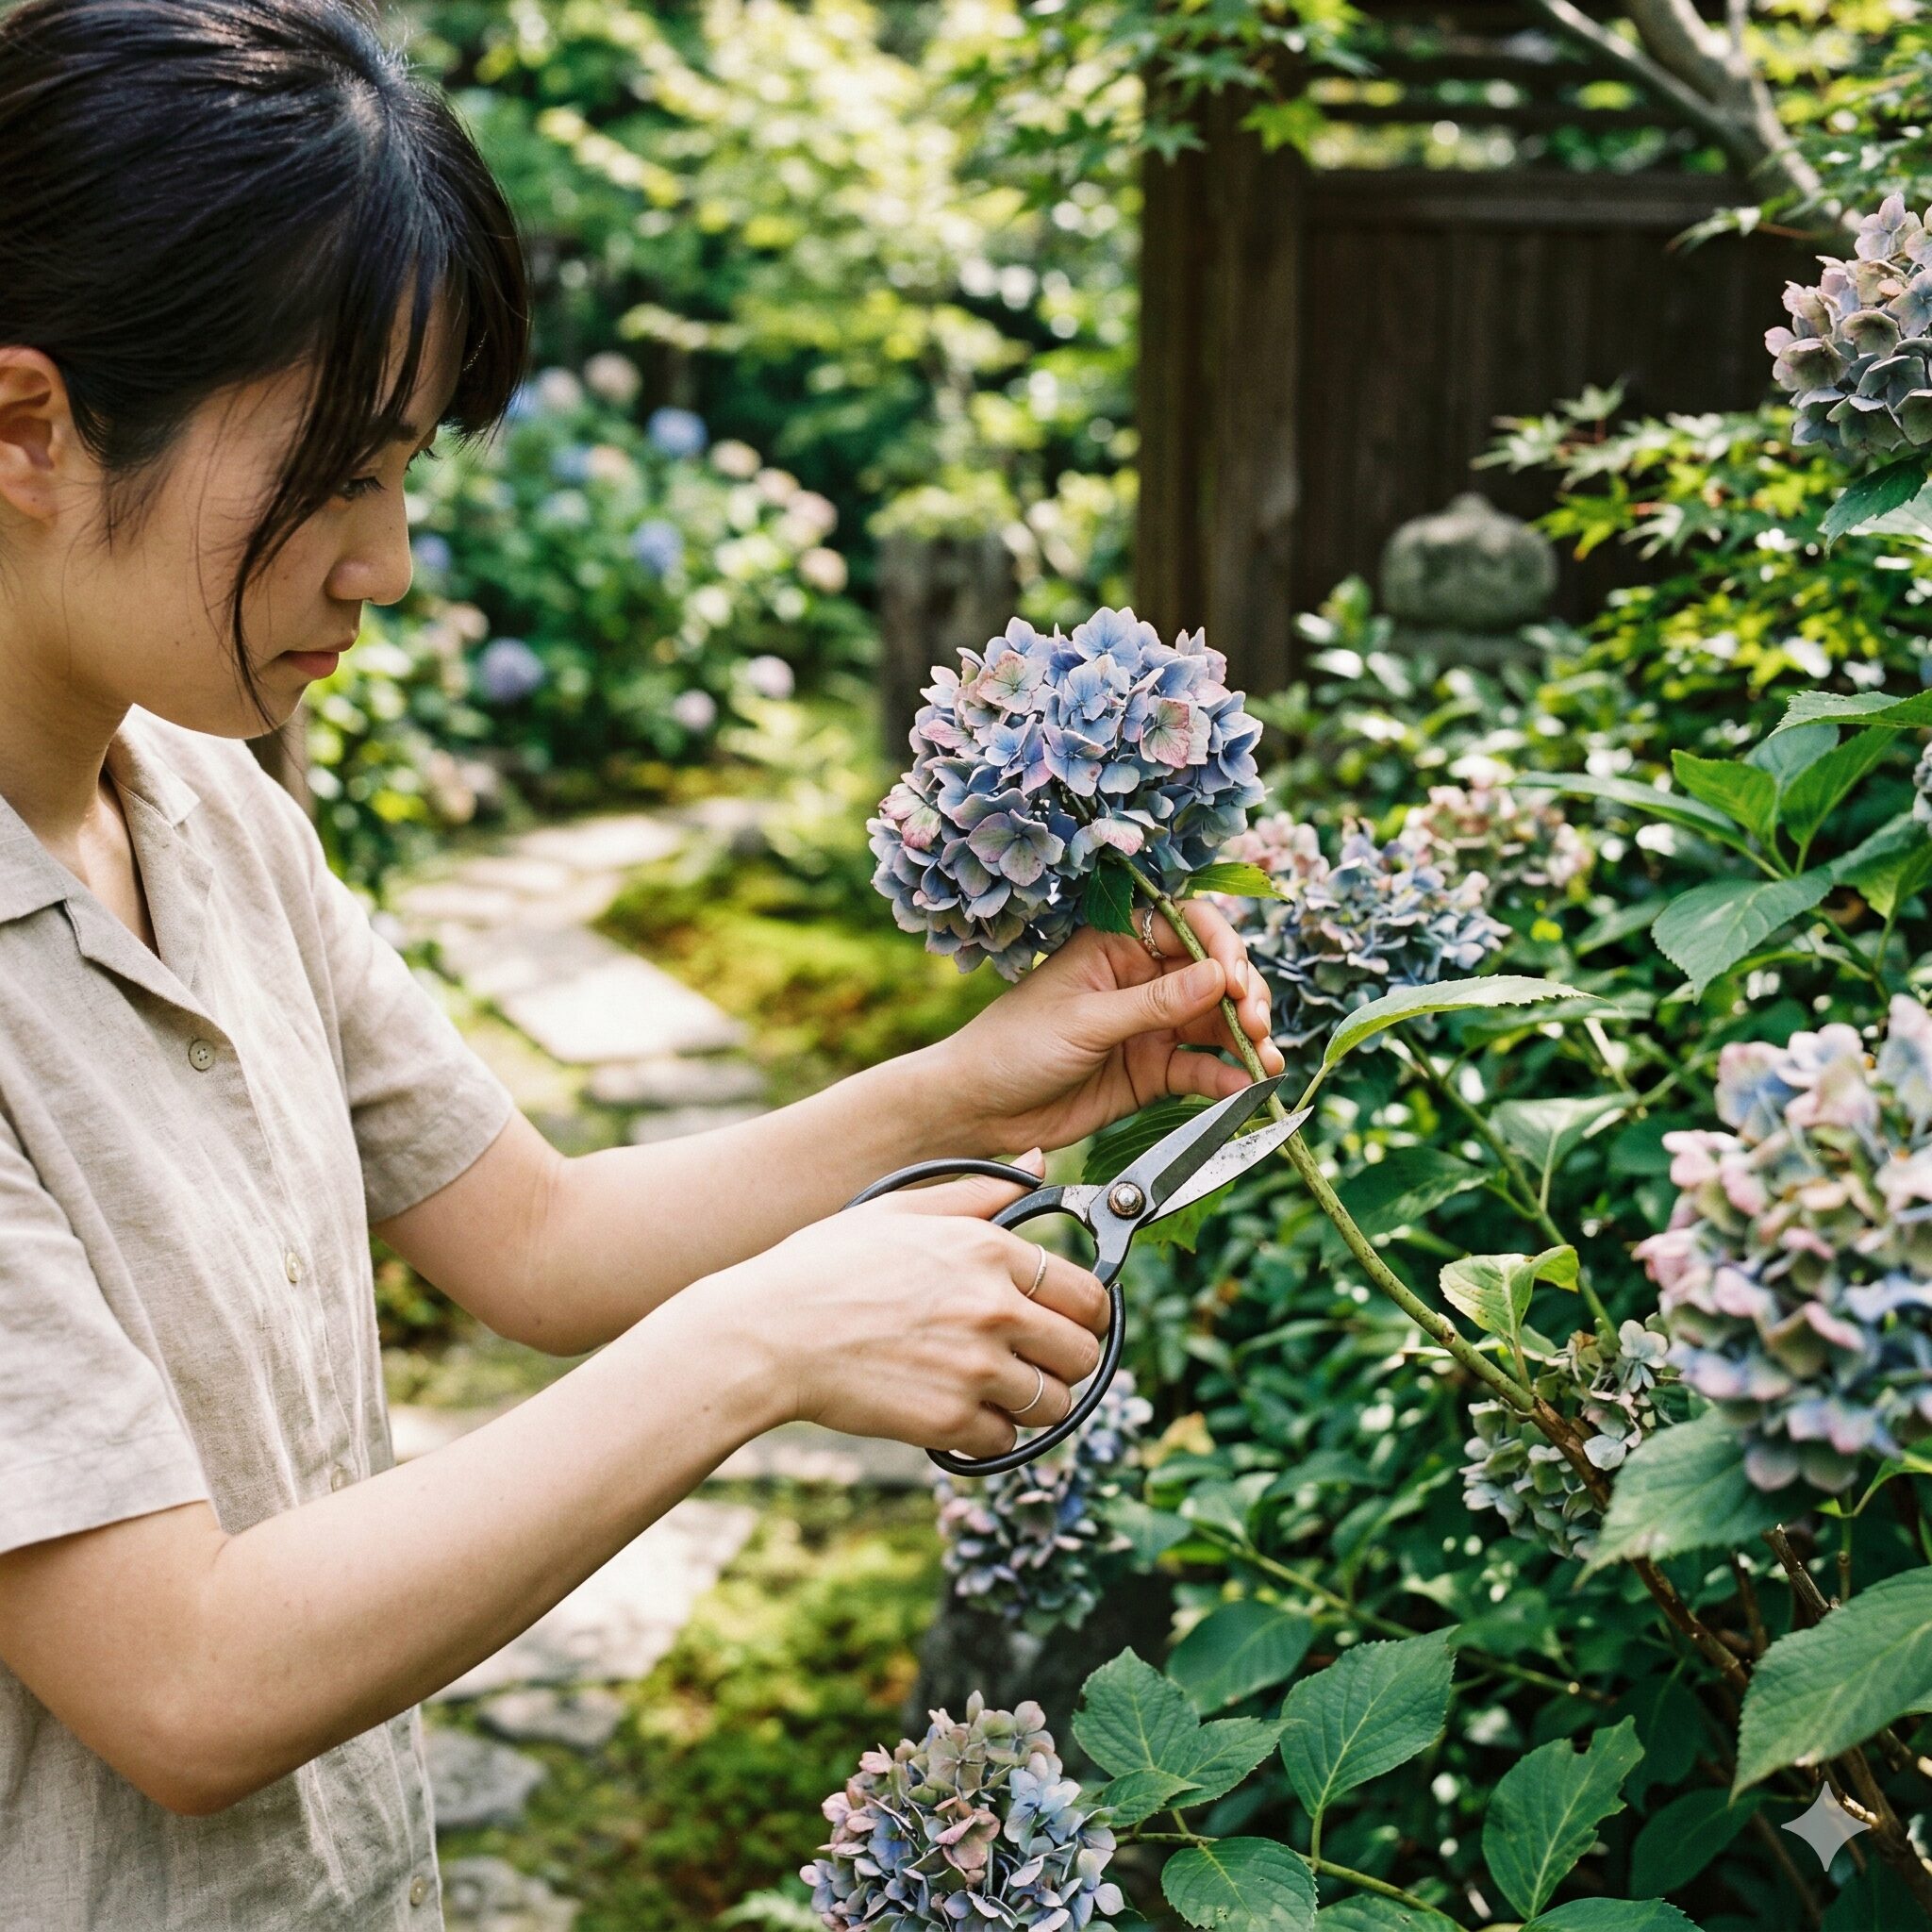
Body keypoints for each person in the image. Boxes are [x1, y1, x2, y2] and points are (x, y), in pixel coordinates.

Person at [0, 1, 1284, 1924]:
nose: (394, 562)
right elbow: (181, 1678)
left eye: (407, 469)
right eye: (342, 470)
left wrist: (973, 1082)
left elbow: (535, 1231)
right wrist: (765, 1344)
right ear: (28, 424)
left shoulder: (205, 799)